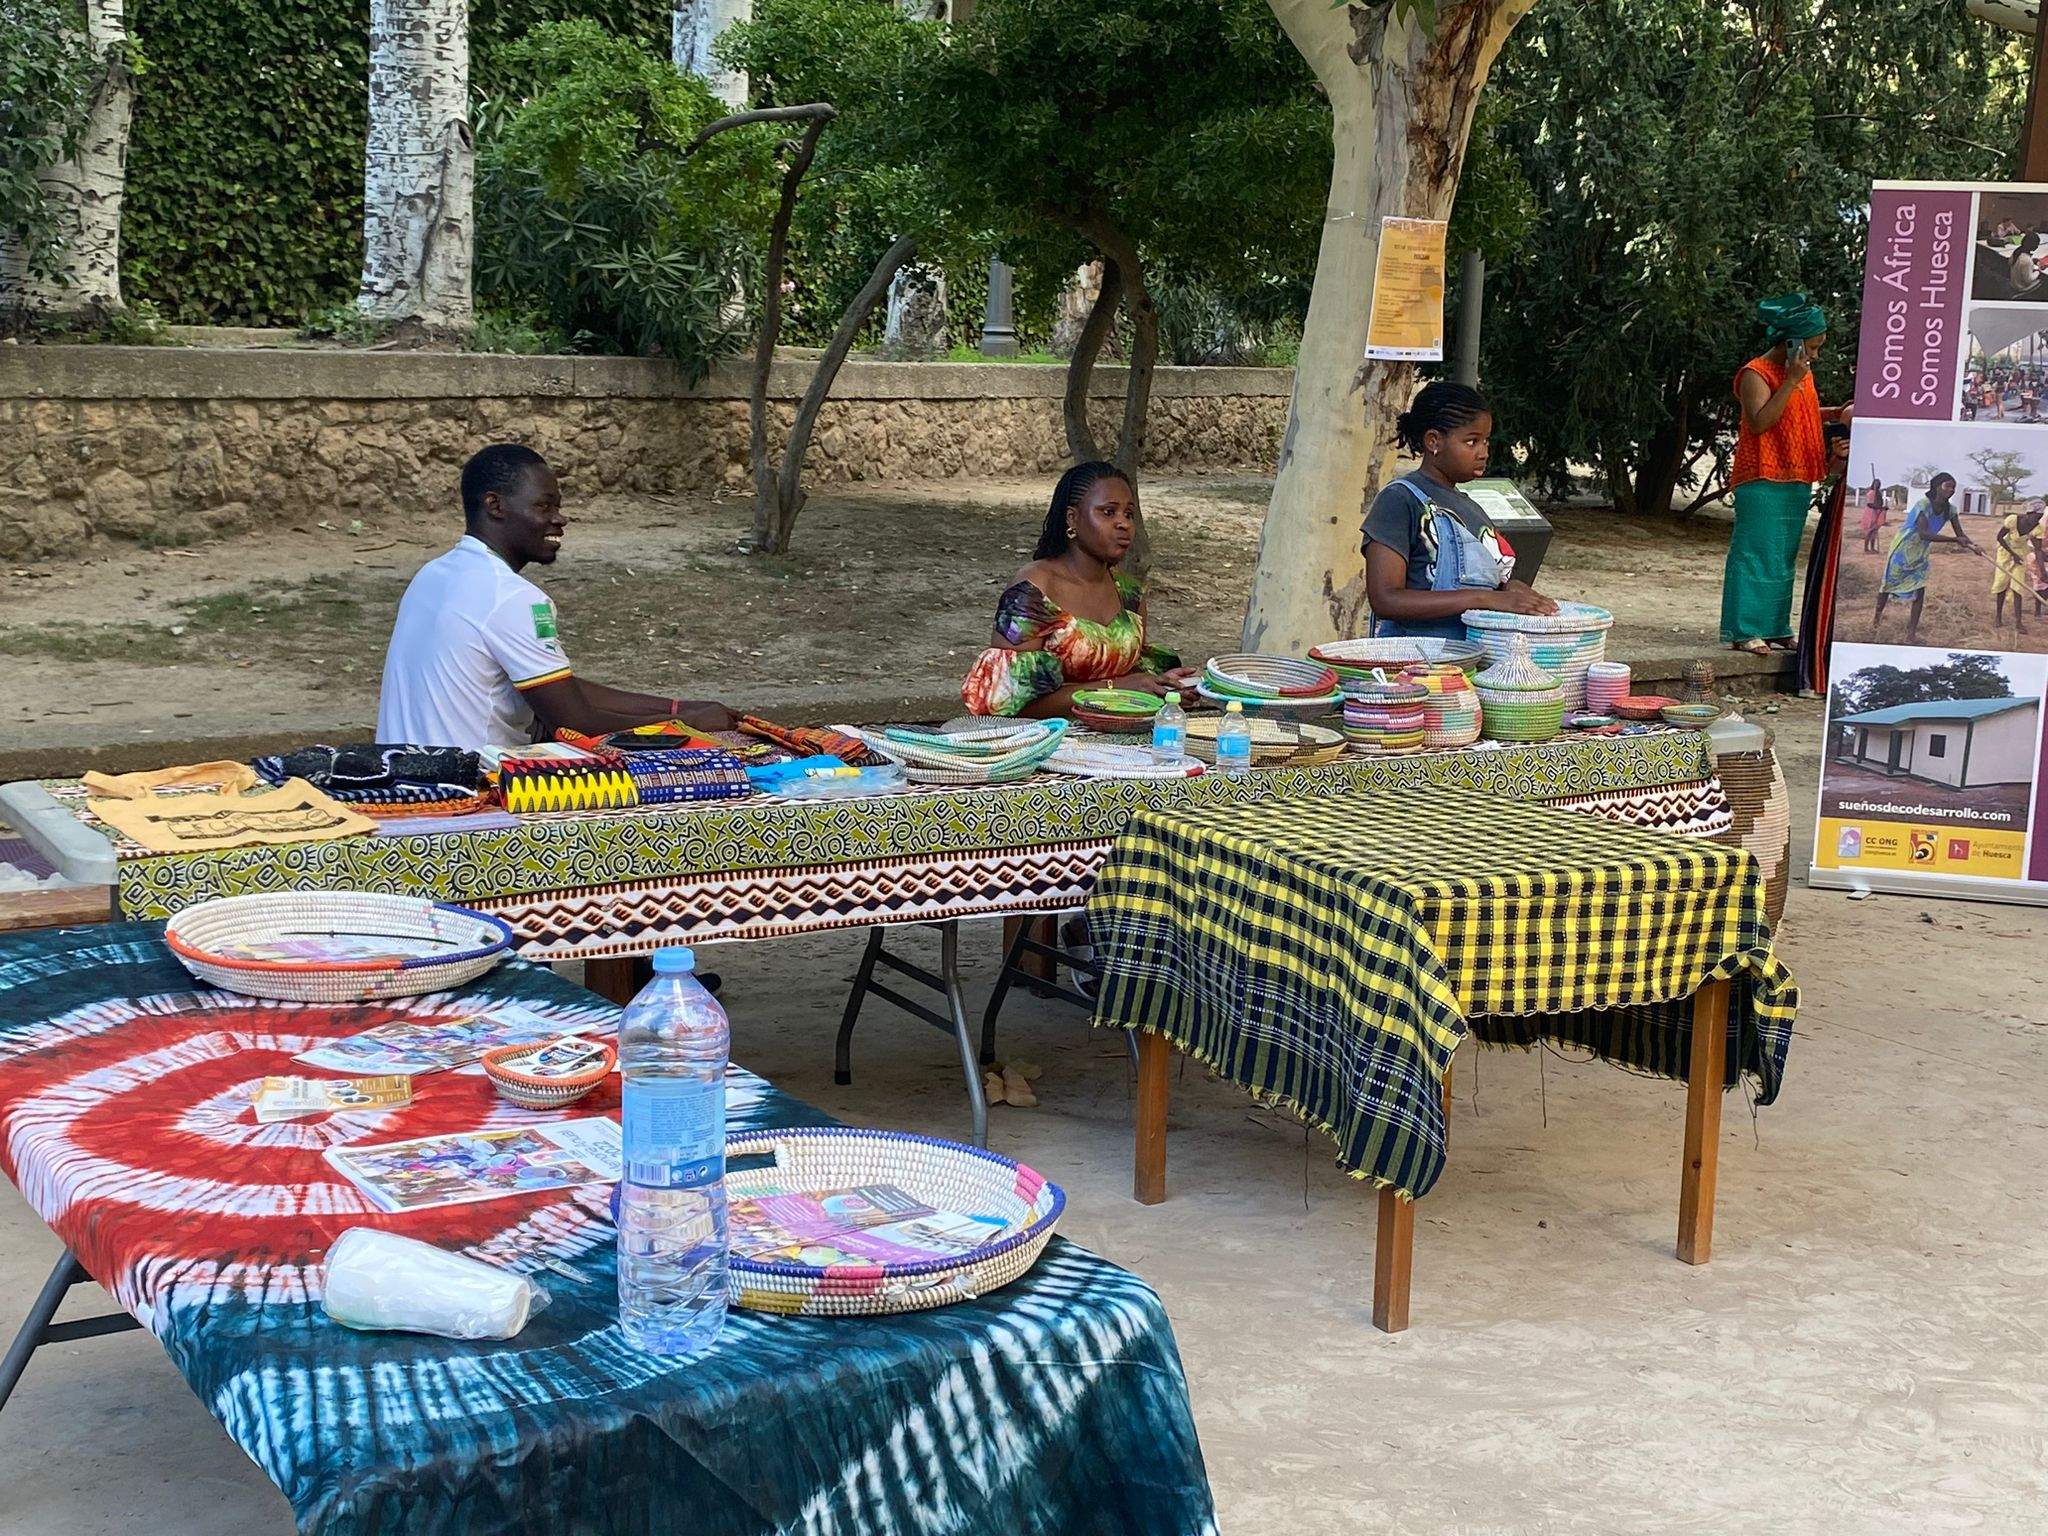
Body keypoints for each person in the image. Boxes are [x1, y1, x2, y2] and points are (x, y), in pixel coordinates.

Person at [379, 444, 735, 751]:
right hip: (471, 788)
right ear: (495, 506)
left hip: (399, 776)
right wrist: (686, 725)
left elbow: (558, 689)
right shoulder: (512, 597)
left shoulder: (433, 575)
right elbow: (574, 720)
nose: (559, 519)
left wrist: (678, 708)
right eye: (544, 506)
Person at [961, 461, 1198, 717]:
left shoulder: (1129, 593)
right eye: (1108, 512)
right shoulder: (1035, 589)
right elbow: (1004, 703)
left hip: (1122, 740)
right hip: (1046, 742)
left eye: (1129, 514)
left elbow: (1132, 678)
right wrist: (1116, 690)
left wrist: (1162, 688)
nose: (1124, 524)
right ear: (1072, 518)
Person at [1361, 381, 1555, 640]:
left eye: (1486, 441)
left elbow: (1485, 583)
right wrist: (1484, 599)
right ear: (1433, 441)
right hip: (1418, 665)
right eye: (1471, 441)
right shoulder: (1400, 500)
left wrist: (1509, 589)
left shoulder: (1470, 507)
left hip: (1470, 659)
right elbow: (1385, 599)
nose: (1483, 452)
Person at [1721, 293, 1851, 656]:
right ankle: (1744, 629)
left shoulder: (1801, 374)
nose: (1815, 355)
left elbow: (1799, 412)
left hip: (1795, 475)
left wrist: (1833, 412)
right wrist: (1792, 380)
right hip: (1763, 476)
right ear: (1791, 342)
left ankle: (1776, 627)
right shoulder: (1755, 374)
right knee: (1754, 553)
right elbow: (1761, 421)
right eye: (1812, 347)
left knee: (1783, 556)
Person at [1873, 472, 1976, 644]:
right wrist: (1953, 540)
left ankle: (1911, 633)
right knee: (1887, 586)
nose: (1951, 490)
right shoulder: (1923, 505)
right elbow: (1923, 534)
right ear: (1937, 486)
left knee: (1920, 591)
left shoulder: (1951, 510)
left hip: (1920, 552)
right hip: (1903, 548)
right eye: (1947, 486)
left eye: (1953, 487)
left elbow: (1961, 534)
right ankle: (1876, 620)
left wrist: (1973, 546)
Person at [1993, 504, 2046, 636]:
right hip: (2004, 553)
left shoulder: (2038, 528)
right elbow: (1999, 537)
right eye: (2036, 516)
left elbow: (2038, 550)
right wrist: (2012, 554)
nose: (2037, 520)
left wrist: (2042, 571)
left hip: (2021, 555)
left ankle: (2018, 622)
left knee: (2018, 586)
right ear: (2028, 513)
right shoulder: (2013, 520)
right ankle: (1998, 616)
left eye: (2040, 517)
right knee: (2001, 584)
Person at [1859, 477, 1888, 553]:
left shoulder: (1878, 493)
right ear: (1873, 484)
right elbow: (1870, 504)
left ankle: (1872, 548)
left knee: (1874, 532)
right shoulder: (1871, 493)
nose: (1877, 486)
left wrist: (1883, 508)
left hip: (1877, 513)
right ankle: (1866, 549)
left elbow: (1879, 503)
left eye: (1878, 484)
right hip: (1870, 513)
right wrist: (1880, 507)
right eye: (1876, 484)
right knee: (1869, 531)